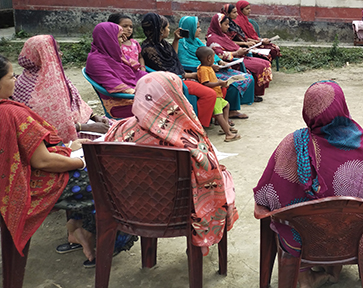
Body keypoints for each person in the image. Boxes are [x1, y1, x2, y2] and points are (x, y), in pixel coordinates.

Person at [253, 80, 363, 288]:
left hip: (303, 238)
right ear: (342, 106)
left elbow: (265, 197)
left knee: (289, 217)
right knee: (345, 216)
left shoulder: (293, 143)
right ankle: (335, 267)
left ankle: (305, 278)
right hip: (354, 237)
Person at [0, 54, 135, 267]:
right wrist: (82, 161)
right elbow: (43, 162)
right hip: (27, 186)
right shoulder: (9, 112)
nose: (15, 80)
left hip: (11, 181)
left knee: (88, 170)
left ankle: (78, 228)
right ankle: (110, 239)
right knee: (108, 178)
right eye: (10, 76)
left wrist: (66, 149)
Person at [105, 72, 238, 256]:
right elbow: (209, 178)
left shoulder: (119, 131)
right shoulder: (188, 141)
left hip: (131, 207)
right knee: (222, 177)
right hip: (178, 212)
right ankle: (202, 241)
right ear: (175, 97)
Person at [12, 35, 110, 143]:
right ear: (44, 54)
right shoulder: (28, 88)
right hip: (60, 140)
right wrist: (85, 127)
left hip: (81, 124)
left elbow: (76, 101)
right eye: (56, 50)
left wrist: (94, 116)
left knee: (119, 128)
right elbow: (47, 128)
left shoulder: (55, 77)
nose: (61, 54)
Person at [140, 13, 217, 129]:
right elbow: (166, 71)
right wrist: (189, 75)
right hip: (171, 83)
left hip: (179, 78)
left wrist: (176, 40)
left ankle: (215, 117)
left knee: (217, 85)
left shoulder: (163, 44)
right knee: (210, 93)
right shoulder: (149, 49)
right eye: (167, 27)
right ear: (160, 30)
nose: (169, 30)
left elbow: (173, 58)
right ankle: (198, 125)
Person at [176, 15, 254, 119]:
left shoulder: (197, 41)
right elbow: (185, 61)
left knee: (245, 77)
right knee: (232, 83)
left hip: (213, 69)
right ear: (190, 28)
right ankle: (229, 110)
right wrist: (210, 66)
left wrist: (221, 62)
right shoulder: (181, 44)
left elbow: (211, 54)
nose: (200, 30)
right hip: (203, 72)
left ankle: (230, 108)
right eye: (197, 27)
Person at [206, 12, 272, 101]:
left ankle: (255, 92)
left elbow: (233, 45)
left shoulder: (222, 35)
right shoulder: (212, 38)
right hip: (231, 61)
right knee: (259, 66)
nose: (228, 27)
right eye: (225, 24)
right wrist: (237, 53)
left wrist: (244, 50)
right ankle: (252, 94)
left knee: (265, 62)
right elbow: (220, 54)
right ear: (218, 25)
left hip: (239, 57)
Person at [86, 22, 147, 94]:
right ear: (109, 39)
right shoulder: (95, 60)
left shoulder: (115, 54)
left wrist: (155, 78)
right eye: (120, 37)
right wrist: (138, 93)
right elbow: (112, 82)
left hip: (135, 90)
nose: (122, 40)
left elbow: (135, 72)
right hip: (122, 99)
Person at [196, 46, 241, 142]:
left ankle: (225, 127)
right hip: (214, 96)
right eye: (213, 57)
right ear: (209, 58)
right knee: (218, 114)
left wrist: (222, 83)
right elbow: (205, 84)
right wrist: (219, 83)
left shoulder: (208, 67)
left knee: (226, 105)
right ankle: (228, 134)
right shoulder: (203, 69)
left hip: (218, 94)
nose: (214, 60)